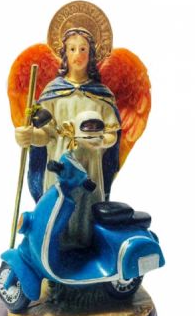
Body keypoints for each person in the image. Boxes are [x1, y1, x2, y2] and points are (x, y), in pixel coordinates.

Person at [15, 28, 121, 249]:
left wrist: (100, 141)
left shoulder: (101, 95)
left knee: (86, 208)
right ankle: (55, 252)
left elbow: (112, 133)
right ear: (64, 53)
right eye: (72, 49)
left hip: (90, 164)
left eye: (83, 49)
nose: (77, 55)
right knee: (58, 206)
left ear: (91, 54)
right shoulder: (53, 93)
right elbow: (46, 134)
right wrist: (29, 136)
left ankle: (86, 252)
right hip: (59, 162)